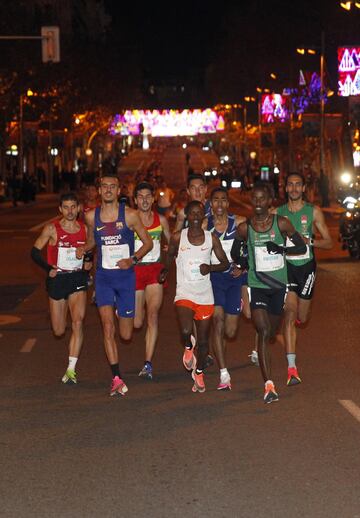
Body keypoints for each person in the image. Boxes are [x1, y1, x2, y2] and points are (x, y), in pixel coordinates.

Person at [76, 172, 153, 397]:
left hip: (126, 278)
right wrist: (85, 248)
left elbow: (147, 242)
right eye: (104, 186)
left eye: (113, 186)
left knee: (126, 334)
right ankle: (116, 377)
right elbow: (92, 240)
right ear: (99, 191)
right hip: (104, 279)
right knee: (107, 327)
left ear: (119, 191)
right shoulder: (91, 217)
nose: (108, 190)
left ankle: (122, 309)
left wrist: (133, 259)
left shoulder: (129, 216)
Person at [231, 182, 306, 403]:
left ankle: (267, 367)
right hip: (257, 287)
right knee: (263, 331)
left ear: (269, 201)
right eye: (254, 198)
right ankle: (269, 385)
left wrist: (281, 249)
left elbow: (301, 247)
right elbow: (236, 251)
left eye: (262, 199)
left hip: (278, 288)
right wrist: (245, 263)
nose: (257, 203)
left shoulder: (281, 224)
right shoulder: (245, 228)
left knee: (271, 332)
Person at [159, 200, 229, 393]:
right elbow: (170, 255)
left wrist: (210, 268)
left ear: (203, 217)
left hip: (205, 296)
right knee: (185, 330)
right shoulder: (177, 237)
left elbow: (224, 263)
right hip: (185, 292)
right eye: (192, 214)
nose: (196, 216)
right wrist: (164, 270)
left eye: (199, 213)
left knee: (205, 341)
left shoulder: (211, 239)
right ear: (187, 217)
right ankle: (189, 347)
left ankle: (198, 371)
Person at [276, 172, 333, 385]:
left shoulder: (313, 212)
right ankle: (292, 368)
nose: (293, 188)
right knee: (290, 314)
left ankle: (296, 318)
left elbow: (329, 242)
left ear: (303, 188)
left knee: (303, 316)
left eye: (297, 185)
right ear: (285, 188)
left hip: (307, 269)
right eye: (290, 185)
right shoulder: (278, 213)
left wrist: (310, 241)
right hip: (287, 268)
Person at [31, 192, 91, 384]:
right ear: (60, 209)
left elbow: (90, 252)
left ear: (79, 208)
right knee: (58, 330)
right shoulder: (52, 229)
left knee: (78, 322)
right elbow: (34, 252)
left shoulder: (85, 229)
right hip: (58, 281)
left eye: (73, 207)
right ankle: (58, 311)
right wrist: (48, 269)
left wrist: (88, 260)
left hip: (77, 278)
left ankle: (71, 368)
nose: (70, 211)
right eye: (66, 207)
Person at [207, 187, 247, 390]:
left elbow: (253, 245)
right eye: (216, 200)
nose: (220, 204)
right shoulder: (204, 226)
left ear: (228, 204)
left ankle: (218, 344)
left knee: (230, 332)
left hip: (234, 279)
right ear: (211, 203)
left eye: (223, 200)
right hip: (213, 279)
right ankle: (224, 374)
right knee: (218, 320)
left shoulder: (239, 223)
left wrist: (244, 266)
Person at [133, 181, 171, 380]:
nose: (145, 200)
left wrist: (168, 252)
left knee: (153, 315)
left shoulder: (161, 220)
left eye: (148, 196)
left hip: (155, 271)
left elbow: (172, 242)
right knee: (137, 322)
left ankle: (148, 363)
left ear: (154, 198)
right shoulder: (130, 219)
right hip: (135, 272)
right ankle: (122, 308)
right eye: (141, 196)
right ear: (135, 200)